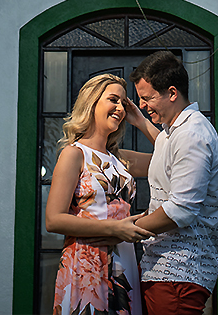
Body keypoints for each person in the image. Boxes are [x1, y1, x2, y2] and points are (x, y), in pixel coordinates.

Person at [46, 73, 155, 315]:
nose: (120, 108)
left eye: (123, 103)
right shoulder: (74, 154)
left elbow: (171, 158)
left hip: (124, 263)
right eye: (113, 100)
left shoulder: (121, 159)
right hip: (86, 264)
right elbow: (53, 220)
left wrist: (141, 121)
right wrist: (114, 229)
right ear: (92, 102)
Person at [125, 50, 218, 315]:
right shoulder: (175, 131)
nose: (142, 105)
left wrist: (127, 229)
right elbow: (165, 148)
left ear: (171, 93)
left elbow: (181, 209)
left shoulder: (192, 134)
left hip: (179, 273)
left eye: (147, 98)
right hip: (166, 270)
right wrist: (140, 122)